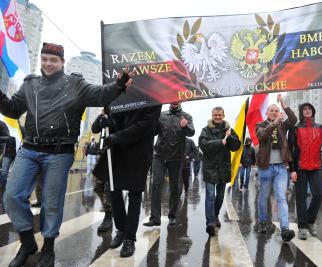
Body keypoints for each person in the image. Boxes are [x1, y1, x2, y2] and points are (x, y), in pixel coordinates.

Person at [0, 42, 133, 267]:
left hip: (59, 152)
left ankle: (49, 250)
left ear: (62, 62)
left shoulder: (76, 84)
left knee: (51, 203)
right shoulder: (30, 84)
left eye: (53, 60)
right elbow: (12, 109)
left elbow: (101, 95)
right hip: (30, 149)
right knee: (12, 196)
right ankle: (27, 242)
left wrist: (119, 84)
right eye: (44, 59)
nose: (47, 63)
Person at [92, 104, 161, 257]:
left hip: (139, 152)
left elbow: (144, 125)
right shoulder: (124, 97)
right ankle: (121, 230)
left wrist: (117, 136)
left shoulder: (154, 100)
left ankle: (129, 239)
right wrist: (111, 123)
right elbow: (117, 119)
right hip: (118, 150)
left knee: (135, 196)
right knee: (114, 191)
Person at [288, 102, 322, 240]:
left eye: (310, 109)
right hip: (300, 167)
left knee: (319, 194)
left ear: (313, 111)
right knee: (301, 197)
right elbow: (290, 150)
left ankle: (309, 222)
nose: (307, 111)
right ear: (301, 112)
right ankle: (302, 227)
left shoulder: (321, 128)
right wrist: (292, 170)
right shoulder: (295, 128)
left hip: (316, 167)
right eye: (304, 109)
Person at [144, 102, 195, 227]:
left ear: (181, 101)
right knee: (156, 185)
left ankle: (172, 216)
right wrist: (154, 119)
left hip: (176, 157)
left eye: (177, 99)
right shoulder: (161, 115)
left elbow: (191, 132)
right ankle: (155, 218)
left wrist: (185, 126)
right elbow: (154, 132)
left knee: (175, 188)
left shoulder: (186, 116)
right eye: (172, 98)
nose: (175, 101)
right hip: (159, 156)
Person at [256, 95, 297, 243]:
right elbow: (262, 136)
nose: (274, 112)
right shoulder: (260, 125)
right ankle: (262, 221)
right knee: (264, 196)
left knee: (281, 197)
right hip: (265, 167)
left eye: (277, 110)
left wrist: (284, 105)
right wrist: (274, 123)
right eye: (272, 110)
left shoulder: (283, 125)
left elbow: (293, 120)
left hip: (281, 167)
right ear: (267, 113)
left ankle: (285, 229)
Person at [199, 106, 240, 236]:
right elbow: (203, 145)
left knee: (220, 196)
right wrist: (220, 142)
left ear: (223, 115)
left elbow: (236, 147)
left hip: (223, 168)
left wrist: (231, 137)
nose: (217, 117)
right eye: (215, 115)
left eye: (220, 115)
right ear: (212, 115)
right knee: (210, 196)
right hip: (210, 167)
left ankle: (215, 215)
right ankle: (210, 222)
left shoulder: (229, 129)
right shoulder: (205, 130)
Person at [0, 120, 16, 188]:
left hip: (17, 152)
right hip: (7, 152)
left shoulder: (2, 124)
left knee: (15, 173)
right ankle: (3, 188)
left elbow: (8, 137)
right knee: (4, 172)